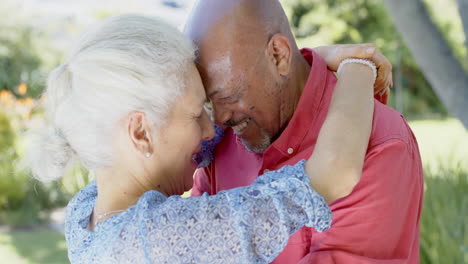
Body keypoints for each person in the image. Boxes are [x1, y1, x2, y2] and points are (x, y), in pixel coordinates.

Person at [24, 14, 379, 263]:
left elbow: (212, 133)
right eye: (197, 114)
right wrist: (358, 67)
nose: (212, 128)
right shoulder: (156, 241)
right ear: (140, 132)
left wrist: (304, 63)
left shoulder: (86, 212)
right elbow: (333, 173)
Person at [187, 0, 424, 263]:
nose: (219, 119)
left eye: (229, 96)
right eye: (209, 102)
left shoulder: (378, 143)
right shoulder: (219, 139)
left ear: (278, 55)